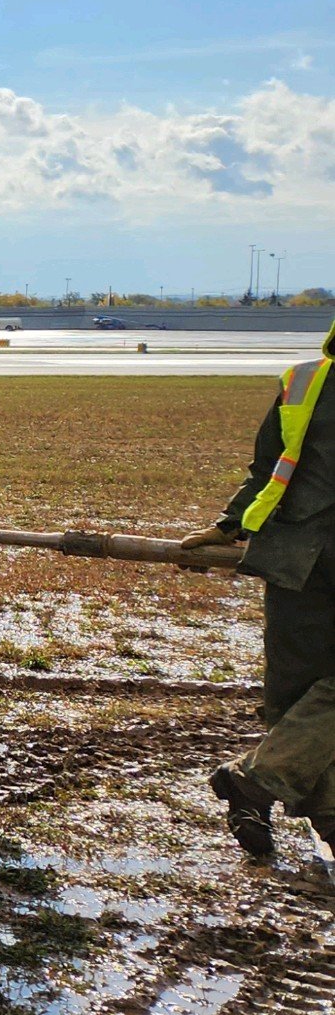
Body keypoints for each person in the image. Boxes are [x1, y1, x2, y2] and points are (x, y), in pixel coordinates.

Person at [190, 317, 335, 857]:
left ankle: (264, 790)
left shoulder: (305, 378)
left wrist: (230, 521)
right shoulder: (303, 381)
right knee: (299, 692)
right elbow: (273, 467)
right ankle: (288, 796)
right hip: (301, 558)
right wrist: (228, 526)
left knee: (300, 692)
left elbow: (266, 468)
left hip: (295, 554)